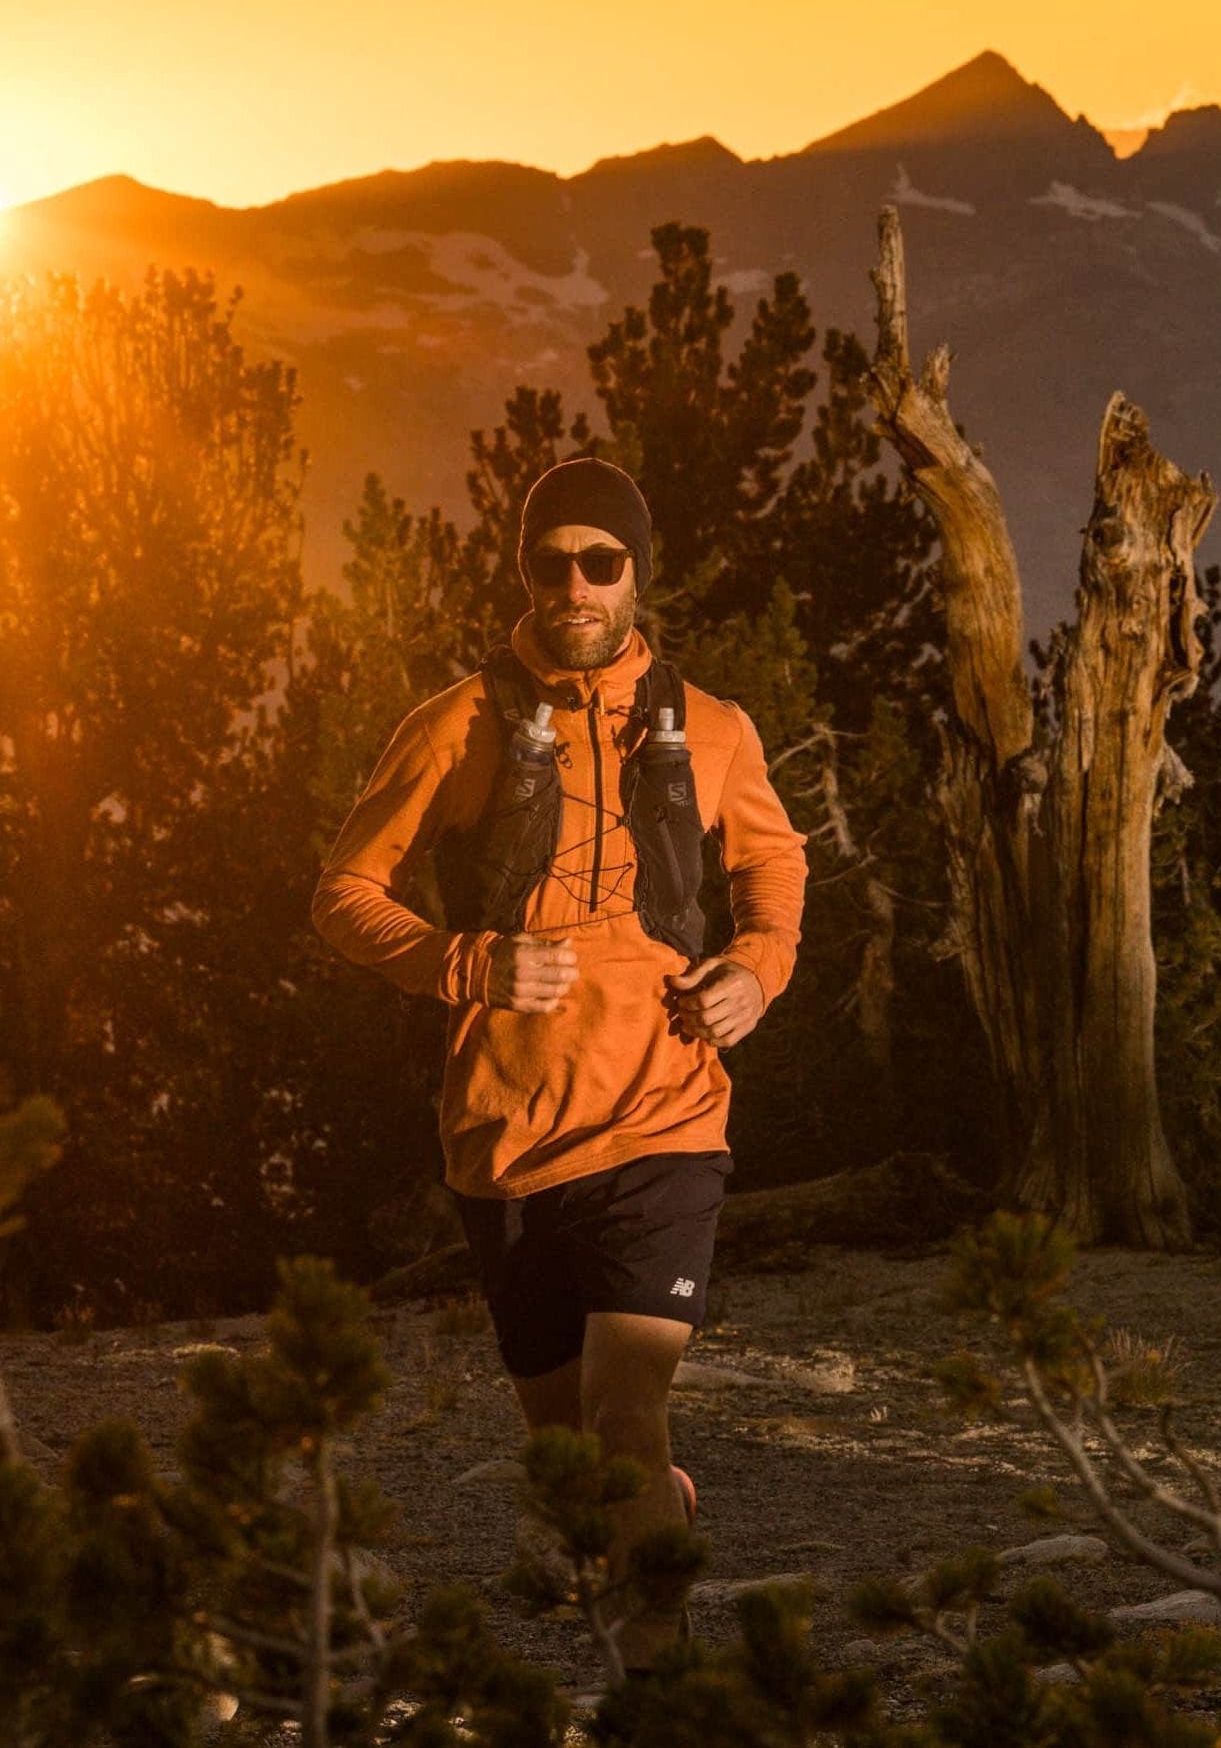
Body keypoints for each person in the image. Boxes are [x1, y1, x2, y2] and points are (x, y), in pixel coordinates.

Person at [310, 453, 808, 1674]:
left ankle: (661, 1686)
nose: (575, 585)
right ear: (522, 572)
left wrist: (758, 966)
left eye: (602, 561)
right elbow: (340, 894)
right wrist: (461, 963)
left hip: (667, 1116)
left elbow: (775, 868)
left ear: (640, 572)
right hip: (507, 1134)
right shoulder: (457, 725)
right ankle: (656, 1514)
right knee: (571, 1459)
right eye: (550, 562)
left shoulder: (715, 730)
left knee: (624, 1405)